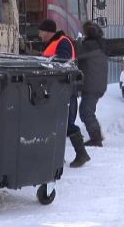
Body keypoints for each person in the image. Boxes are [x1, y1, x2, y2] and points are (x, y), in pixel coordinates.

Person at [38, 19, 90, 167]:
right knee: (56, 123)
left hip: (66, 88)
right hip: (58, 88)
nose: (39, 35)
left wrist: (46, 63)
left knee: (66, 122)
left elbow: (63, 60)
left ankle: (82, 154)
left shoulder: (63, 42)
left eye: (41, 32)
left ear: (48, 31)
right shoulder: (55, 42)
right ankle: (57, 156)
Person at [77, 21, 108, 147]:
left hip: (91, 86)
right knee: (87, 110)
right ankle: (96, 136)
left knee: (86, 111)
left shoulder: (88, 46)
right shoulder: (100, 44)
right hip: (97, 85)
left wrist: (78, 42)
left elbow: (76, 54)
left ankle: (96, 138)